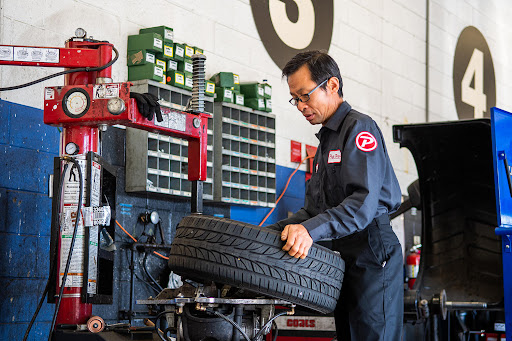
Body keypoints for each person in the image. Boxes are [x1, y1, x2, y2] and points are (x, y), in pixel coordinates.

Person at [269, 50, 403, 340]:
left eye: (305, 95)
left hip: (371, 251)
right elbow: (313, 211)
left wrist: (308, 231)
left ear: (331, 85)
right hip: (343, 256)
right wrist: (259, 237)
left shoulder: (358, 128)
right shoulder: (326, 142)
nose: (301, 106)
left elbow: (361, 205)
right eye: (295, 99)